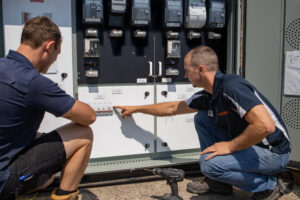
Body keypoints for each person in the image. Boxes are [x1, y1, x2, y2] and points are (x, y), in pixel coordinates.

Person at [114, 46, 291, 200]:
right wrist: (136, 108)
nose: (185, 75)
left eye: (187, 70)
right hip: (253, 147)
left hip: (274, 153)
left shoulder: (232, 86)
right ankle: (218, 184)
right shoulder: (208, 94)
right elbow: (173, 107)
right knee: (203, 118)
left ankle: (269, 185)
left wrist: (229, 147)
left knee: (210, 164)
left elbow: (265, 126)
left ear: (200, 69)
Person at [0, 17, 96, 200]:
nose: (54, 59)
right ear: (49, 46)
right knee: (83, 134)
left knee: (44, 165)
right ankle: (66, 196)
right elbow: (89, 116)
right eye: (57, 53)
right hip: (3, 180)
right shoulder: (33, 82)